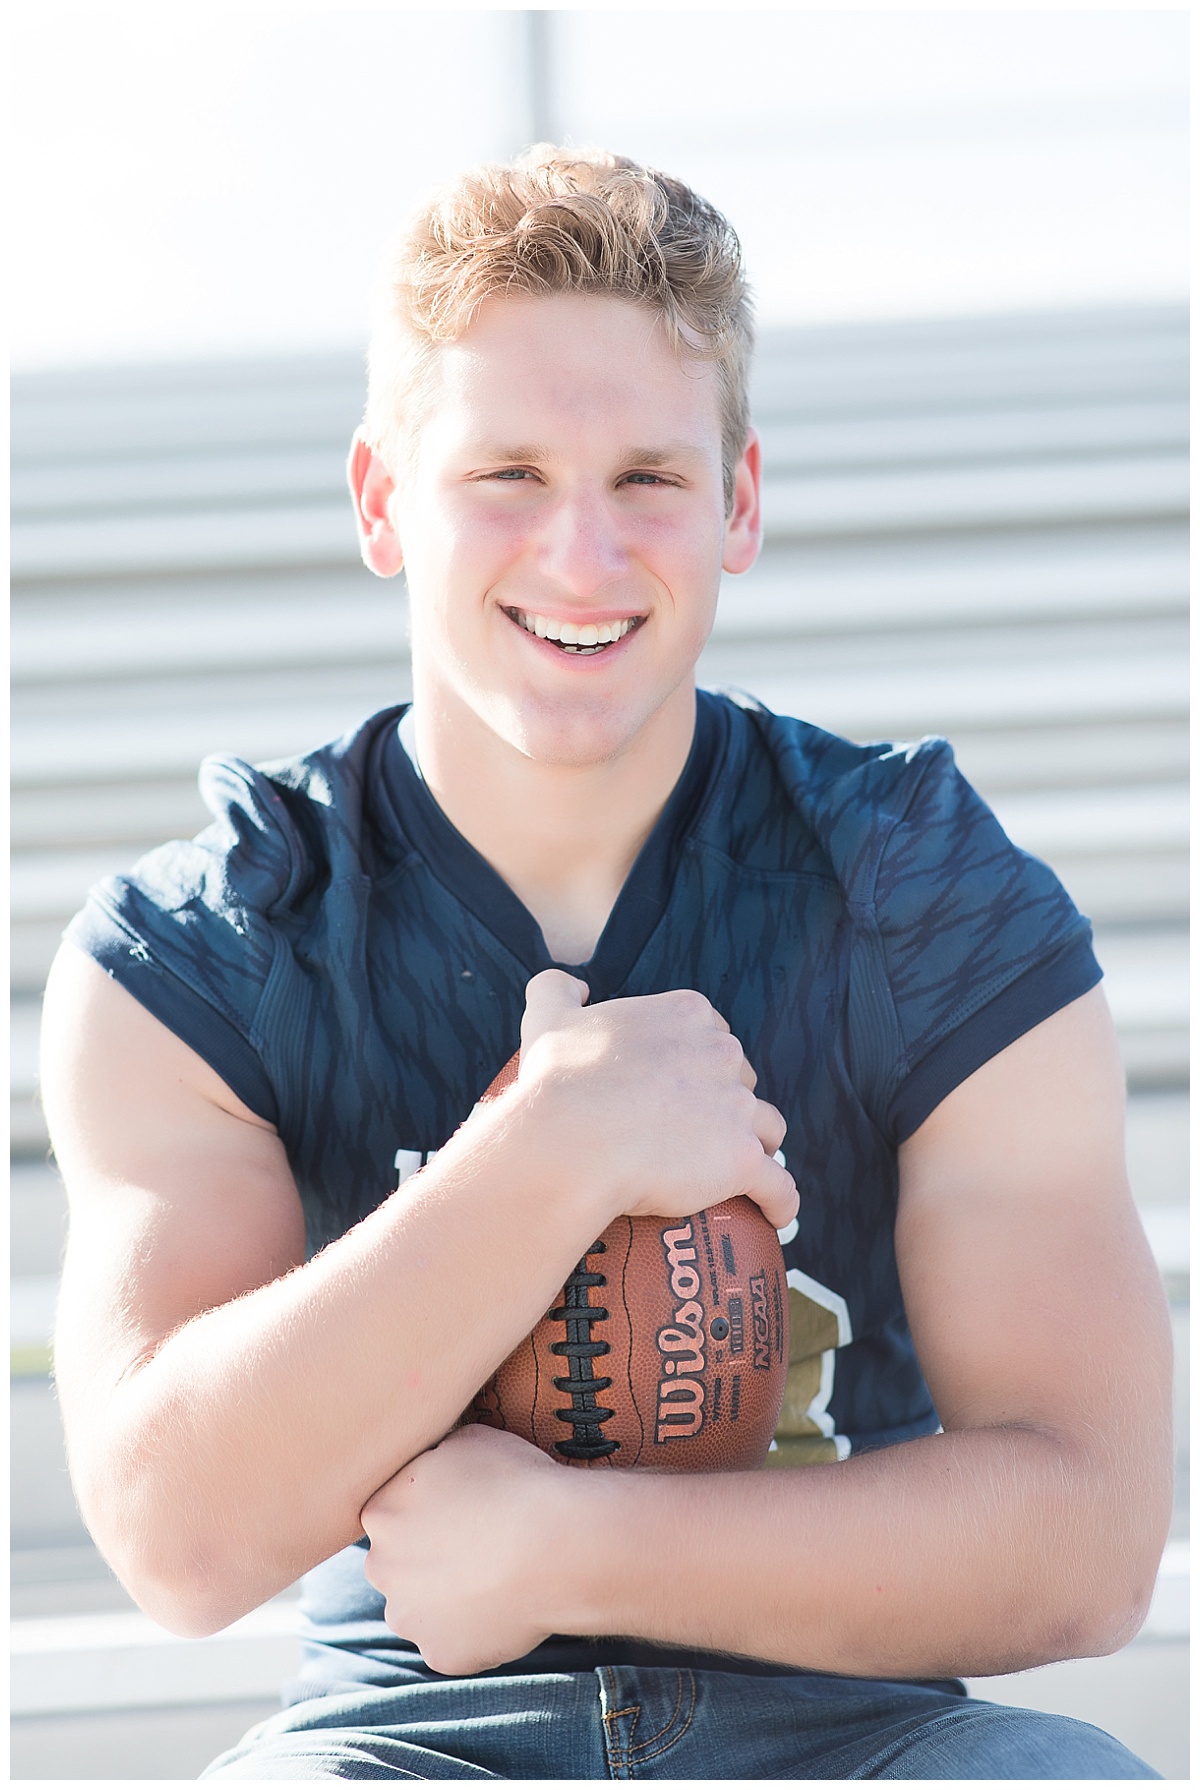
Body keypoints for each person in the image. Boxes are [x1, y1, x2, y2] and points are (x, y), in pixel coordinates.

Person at [41, 146, 1172, 1780]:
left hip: (861, 1726)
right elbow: (177, 1534)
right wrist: (547, 1154)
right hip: (410, 1733)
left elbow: (1086, 1534)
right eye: (506, 473)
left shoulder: (913, 883)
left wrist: (572, 1548)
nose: (582, 555)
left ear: (741, 501)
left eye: (648, 475)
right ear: (381, 501)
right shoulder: (222, 937)